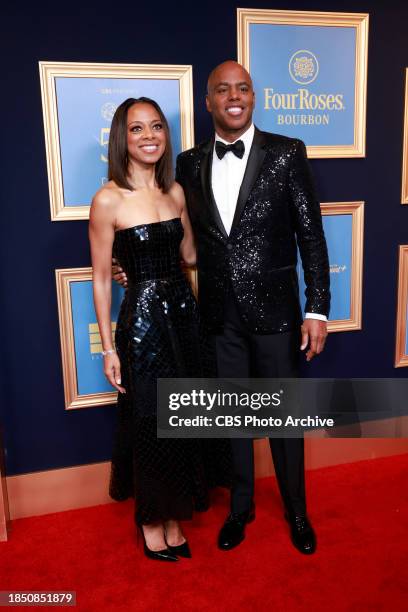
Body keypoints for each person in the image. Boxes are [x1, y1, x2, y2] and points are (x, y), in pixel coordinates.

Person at [114, 61, 330, 555]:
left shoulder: (287, 152)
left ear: (253, 97)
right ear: (207, 102)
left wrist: (317, 307)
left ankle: (297, 510)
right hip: (215, 315)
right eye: (222, 90)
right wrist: (127, 264)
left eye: (244, 88)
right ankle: (241, 507)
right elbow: (162, 228)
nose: (234, 97)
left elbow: (311, 237)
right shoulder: (187, 163)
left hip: (276, 312)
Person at [90, 96, 231, 562]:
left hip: (183, 317)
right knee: (151, 423)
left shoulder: (175, 193)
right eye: (137, 129)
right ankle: (151, 522)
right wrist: (109, 349)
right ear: (122, 138)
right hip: (142, 323)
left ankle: (175, 517)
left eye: (156, 127)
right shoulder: (108, 198)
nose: (149, 136)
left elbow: (189, 255)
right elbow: (100, 279)